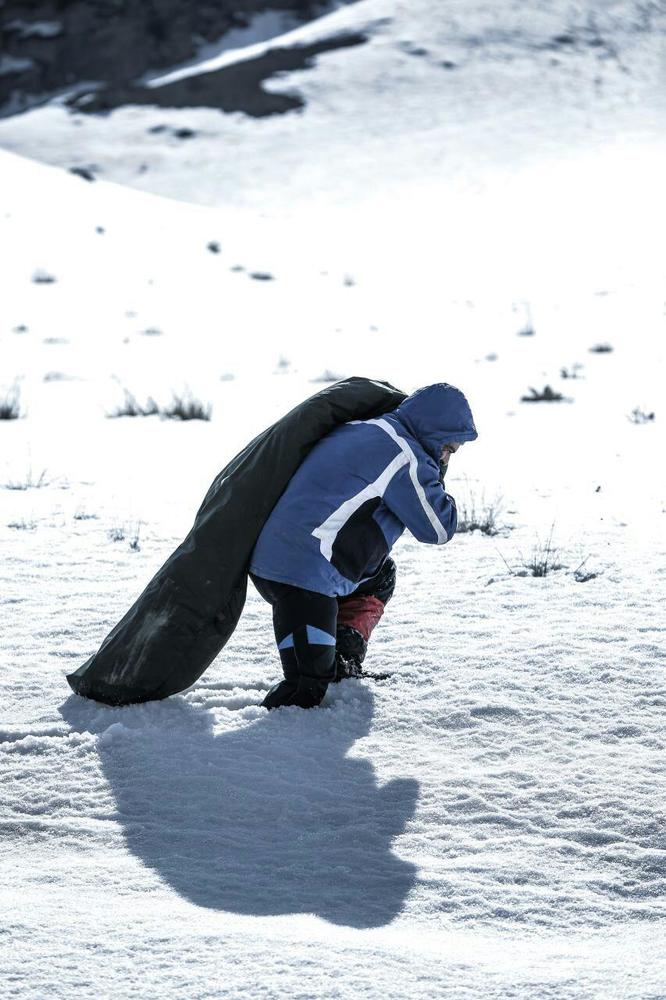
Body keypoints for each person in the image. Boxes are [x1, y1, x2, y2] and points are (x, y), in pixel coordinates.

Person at [249, 382, 478, 709]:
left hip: (280, 558)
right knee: (306, 689)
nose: (445, 456)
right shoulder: (406, 457)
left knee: (380, 575)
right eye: (448, 448)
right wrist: (438, 471)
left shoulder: (366, 426)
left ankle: (342, 659)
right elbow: (439, 528)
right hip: (302, 578)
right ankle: (256, 753)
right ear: (434, 433)